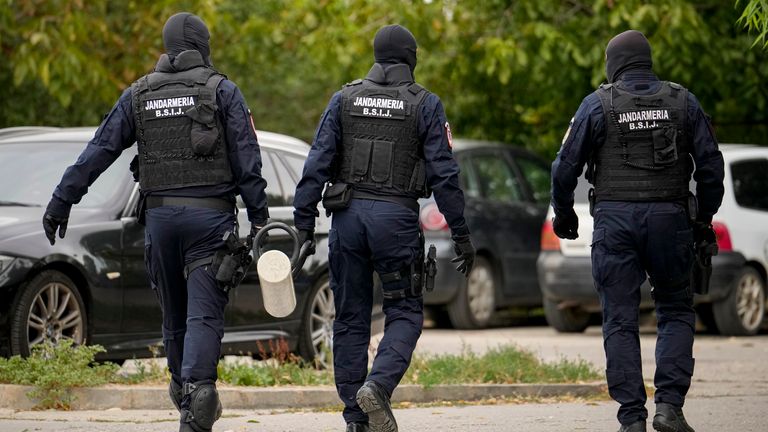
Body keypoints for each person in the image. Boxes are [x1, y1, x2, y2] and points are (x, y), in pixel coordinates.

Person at [42, 12, 269, 432]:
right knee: (203, 315)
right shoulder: (223, 91)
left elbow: (99, 150)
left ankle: (186, 395)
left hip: (160, 220)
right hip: (209, 220)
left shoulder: (139, 94)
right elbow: (247, 162)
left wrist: (61, 200)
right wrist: (260, 221)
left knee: (174, 318)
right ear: (203, 46)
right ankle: (197, 400)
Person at [293, 24, 475, 432]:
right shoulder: (424, 104)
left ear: (376, 56)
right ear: (411, 57)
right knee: (405, 313)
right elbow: (445, 175)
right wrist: (460, 232)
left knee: (350, 318)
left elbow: (315, 165)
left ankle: (356, 419)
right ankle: (377, 385)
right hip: (395, 220)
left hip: (348, 221)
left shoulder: (344, 98)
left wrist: (304, 227)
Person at [550, 30, 724, 432]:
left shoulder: (597, 104)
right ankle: (669, 408)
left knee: (620, 319)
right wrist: (703, 220)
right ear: (646, 61)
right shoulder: (683, 101)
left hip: (615, 223)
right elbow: (712, 168)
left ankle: (632, 420)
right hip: (671, 220)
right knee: (676, 311)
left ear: (614, 63)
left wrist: (564, 216)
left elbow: (563, 168)